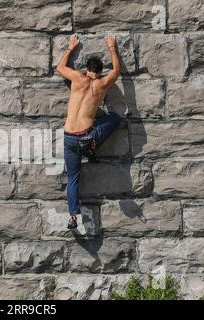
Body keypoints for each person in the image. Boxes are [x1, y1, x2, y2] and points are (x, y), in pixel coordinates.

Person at [56, 34, 122, 229]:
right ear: (100, 72)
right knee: (115, 117)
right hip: (87, 136)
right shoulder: (101, 85)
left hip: (69, 138)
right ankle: (92, 145)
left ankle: (73, 216)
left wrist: (70, 47)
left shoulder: (77, 78)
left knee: (73, 179)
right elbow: (117, 70)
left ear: (86, 70)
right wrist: (111, 47)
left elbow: (60, 68)